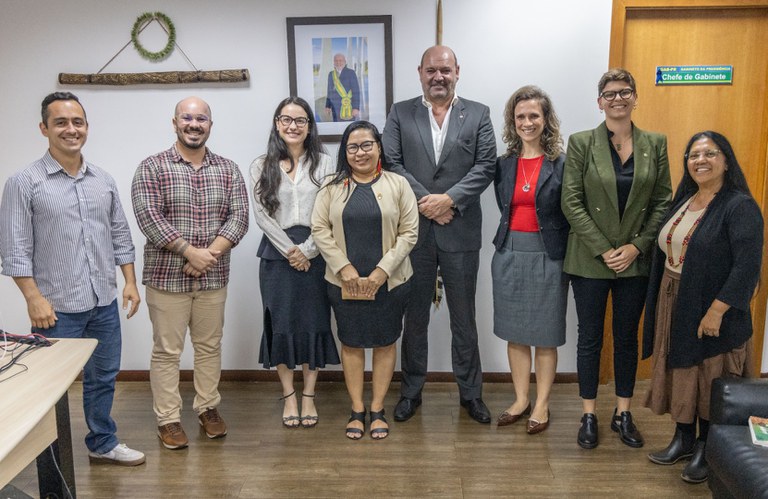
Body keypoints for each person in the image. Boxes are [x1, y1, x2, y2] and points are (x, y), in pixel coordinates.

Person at [0, 92, 144, 466]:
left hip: (103, 301)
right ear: (44, 128)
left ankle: (102, 442)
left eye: (77, 122)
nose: (70, 129)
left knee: (104, 375)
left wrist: (129, 281)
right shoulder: (24, 182)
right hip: (55, 307)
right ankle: (48, 458)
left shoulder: (103, 180)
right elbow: (15, 248)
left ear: (87, 127)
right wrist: (33, 298)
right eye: (61, 122)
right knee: (50, 385)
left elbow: (119, 233)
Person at [382, 45, 496, 424]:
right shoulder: (400, 113)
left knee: (464, 318)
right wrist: (427, 203)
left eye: (445, 70)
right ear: (420, 72)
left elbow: (485, 166)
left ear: (457, 72)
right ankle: (410, 392)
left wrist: (449, 200)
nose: (438, 77)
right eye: (431, 70)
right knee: (414, 318)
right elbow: (393, 162)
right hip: (414, 233)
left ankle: (471, 394)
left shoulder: (478, 113)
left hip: (460, 231)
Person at [643, 131, 763, 484]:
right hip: (675, 299)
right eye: (694, 155)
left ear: (726, 160)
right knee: (684, 372)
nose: (701, 160)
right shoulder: (685, 199)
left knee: (710, 374)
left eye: (710, 153)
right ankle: (683, 438)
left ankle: (707, 447)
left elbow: (747, 266)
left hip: (714, 307)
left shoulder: (739, 206)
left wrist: (717, 310)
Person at [561, 68, 672, 449]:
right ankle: (588, 413)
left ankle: (623, 413)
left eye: (625, 92)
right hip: (590, 259)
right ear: (599, 102)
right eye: (609, 94)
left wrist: (637, 246)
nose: (618, 99)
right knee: (589, 338)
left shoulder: (655, 143)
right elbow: (571, 201)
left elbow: (663, 201)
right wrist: (605, 249)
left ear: (635, 98)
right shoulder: (581, 142)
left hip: (635, 261)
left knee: (626, 339)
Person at [131, 96, 249, 450]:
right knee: (167, 351)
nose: (194, 124)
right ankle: (168, 419)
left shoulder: (228, 169)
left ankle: (207, 408)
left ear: (210, 125)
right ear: (175, 123)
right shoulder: (152, 167)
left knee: (209, 346)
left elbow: (239, 217)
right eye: (187, 118)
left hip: (212, 279)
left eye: (201, 119)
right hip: (167, 279)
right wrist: (189, 252)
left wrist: (206, 256)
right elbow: (149, 218)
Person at [312, 121, 418, 440]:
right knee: (351, 343)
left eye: (367, 145)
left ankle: (378, 408)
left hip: (390, 282)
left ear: (379, 147)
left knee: (385, 343)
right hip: (344, 283)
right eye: (353, 147)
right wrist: (344, 268)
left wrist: (382, 271)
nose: (360, 152)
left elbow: (409, 232)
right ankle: (357, 410)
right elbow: (319, 229)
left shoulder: (398, 184)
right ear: (345, 152)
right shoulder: (331, 186)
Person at [249, 96, 340, 428]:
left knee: (315, 322)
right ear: (277, 124)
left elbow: (328, 211)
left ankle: (309, 395)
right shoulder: (261, 165)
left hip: (317, 253)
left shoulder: (325, 163)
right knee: (281, 325)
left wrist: (309, 250)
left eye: (300, 120)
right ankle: (289, 396)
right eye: (286, 119)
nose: (292, 126)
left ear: (309, 126)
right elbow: (262, 216)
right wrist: (292, 251)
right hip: (277, 254)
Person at [492, 86, 569, 434]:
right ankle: (521, 399)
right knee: (516, 333)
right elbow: (504, 206)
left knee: (546, 335)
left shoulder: (561, 163)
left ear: (545, 119)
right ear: (513, 121)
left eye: (534, 115)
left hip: (548, 254)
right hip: (509, 252)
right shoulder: (504, 164)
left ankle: (541, 404)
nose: (527, 122)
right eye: (520, 116)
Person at [325, 53, 361, 122]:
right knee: (336, 126)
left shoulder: (351, 72)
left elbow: (356, 91)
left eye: (340, 60)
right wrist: (328, 106)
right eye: (336, 61)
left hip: (349, 106)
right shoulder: (331, 74)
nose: (338, 62)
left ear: (345, 61)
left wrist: (356, 108)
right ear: (334, 62)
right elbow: (329, 91)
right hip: (335, 108)